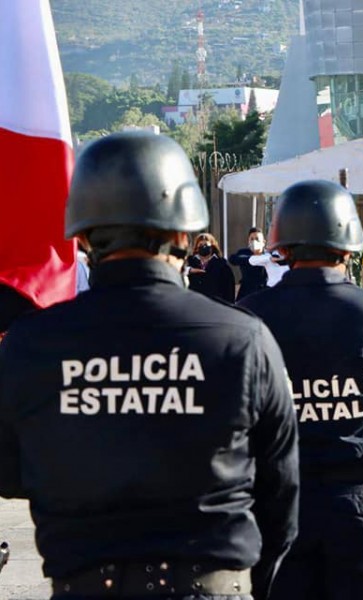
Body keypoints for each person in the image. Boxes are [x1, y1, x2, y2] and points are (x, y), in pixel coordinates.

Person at [0, 131, 299, 600]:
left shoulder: (31, 343)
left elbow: (9, 472)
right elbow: (280, 490)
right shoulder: (243, 338)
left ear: (80, 236)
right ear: (184, 232)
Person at [239, 179, 363, 600]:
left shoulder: (248, 317)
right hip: (361, 501)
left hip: (279, 503)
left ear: (281, 246)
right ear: (349, 245)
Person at [186, 232, 235, 302]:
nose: (203, 247)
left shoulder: (222, 265)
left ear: (212, 247)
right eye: (200, 245)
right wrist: (189, 270)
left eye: (206, 244)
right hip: (194, 304)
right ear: (197, 248)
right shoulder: (190, 262)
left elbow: (229, 290)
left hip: (215, 305)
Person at [228, 227, 268, 300]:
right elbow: (232, 259)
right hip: (246, 293)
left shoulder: (267, 255)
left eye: (257, 239)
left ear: (263, 242)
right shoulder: (243, 253)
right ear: (248, 241)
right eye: (251, 239)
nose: (254, 241)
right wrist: (251, 259)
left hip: (263, 293)